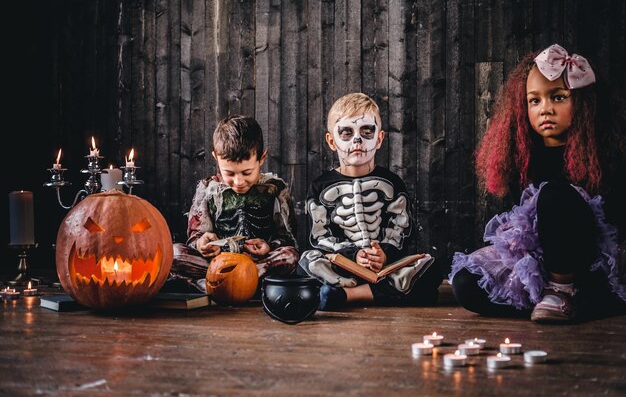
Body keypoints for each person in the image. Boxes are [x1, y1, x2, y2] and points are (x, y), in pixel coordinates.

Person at [449, 44, 626, 323]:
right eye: (535, 101)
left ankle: (562, 292)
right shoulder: (521, 154)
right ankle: (561, 303)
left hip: (589, 259)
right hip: (542, 260)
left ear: (583, 101)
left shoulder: (607, 153)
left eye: (558, 97)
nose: (545, 109)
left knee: (554, 194)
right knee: (465, 284)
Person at [297, 92, 443, 310]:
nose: (357, 140)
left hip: (385, 265)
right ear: (331, 141)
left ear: (380, 138)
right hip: (342, 266)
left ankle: (346, 296)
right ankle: (383, 294)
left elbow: (401, 229)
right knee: (306, 262)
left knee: (431, 266)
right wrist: (352, 255)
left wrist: (384, 253)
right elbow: (319, 237)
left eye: (367, 131)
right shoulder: (320, 186)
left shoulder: (392, 183)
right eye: (346, 132)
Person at [167, 115, 300, 294]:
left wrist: (270, 246)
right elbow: (194, 237)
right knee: (173, 254)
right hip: (217, 263)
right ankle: (237, 282)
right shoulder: (208, 189)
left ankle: (224, 283)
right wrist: (201, 244)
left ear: (262, 158)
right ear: (216, 157)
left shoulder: (275, 189)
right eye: (229, 173)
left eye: (247, 172)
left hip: (258, 263)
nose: (238, 182)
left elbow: (288, 237)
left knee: (289, 256)